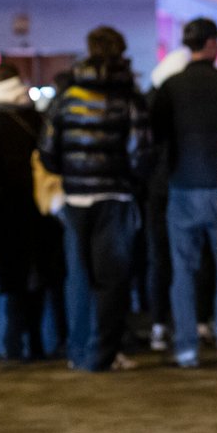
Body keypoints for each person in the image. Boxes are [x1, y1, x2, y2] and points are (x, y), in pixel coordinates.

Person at [151, 17, 217, 368]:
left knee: (182, 271)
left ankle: (186, 348)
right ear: (212, 44)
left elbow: (156, 137)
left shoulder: (169, 88)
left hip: (182, 187)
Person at [44, 28, 149, 372]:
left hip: (75, 198)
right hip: (114, 196)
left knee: (77, 277)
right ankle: (101, 354)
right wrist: (130, 180)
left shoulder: (67, 95)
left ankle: (77, 350)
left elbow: (47, 149)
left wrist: (69, 173)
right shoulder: (127, 95)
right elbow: (141, 151)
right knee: (112, 279)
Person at [0, 64, 52, 361]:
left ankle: (5, 345)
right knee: (35, 280)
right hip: (38, 211)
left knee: (1, 282)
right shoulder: (35, 119)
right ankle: (38, 343)